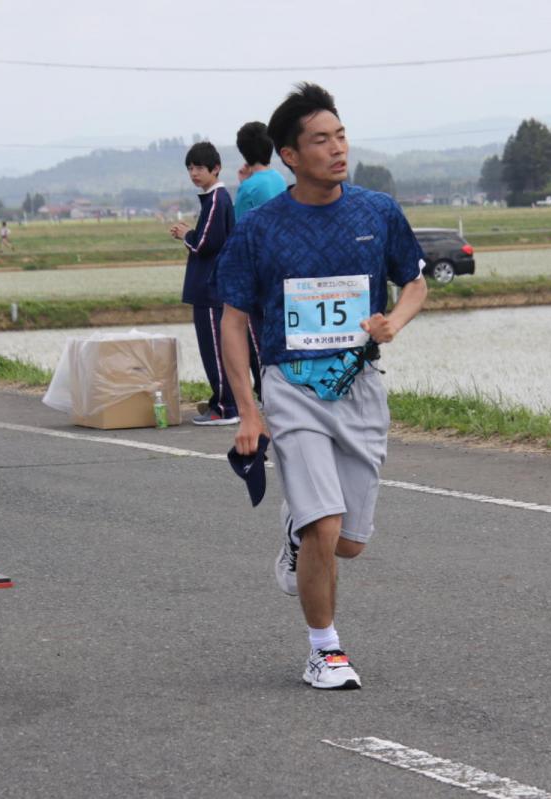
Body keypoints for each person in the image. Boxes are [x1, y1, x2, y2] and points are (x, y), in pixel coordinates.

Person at [218, 83, 428, 690]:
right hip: (291, 387)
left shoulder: (376, 211)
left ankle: (297, 530)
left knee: (348, 544)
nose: (337, 149)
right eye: (320, 140)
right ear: (289, 153)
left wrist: (395, 320)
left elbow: (414, 282)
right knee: (325, 527)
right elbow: (233, 320)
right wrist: (249, 412)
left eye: (341, 136)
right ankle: (324, 651)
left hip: (359, 387)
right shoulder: (260, 230)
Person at [170, 142, 238, 425]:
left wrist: (186, 234)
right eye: (190, 168)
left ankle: (225, 407)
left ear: (216, 168)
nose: (194, 173)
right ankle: (222, 402)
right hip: (213, 288)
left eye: (199, 167)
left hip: (210, 289)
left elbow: (205, 244)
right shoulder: (214, 199)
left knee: (216, 351)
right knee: (216, 349)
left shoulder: (216, 199)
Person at [232, 121, 290, 402]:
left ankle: (265, 390)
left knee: (257, 335)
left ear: (243, 152)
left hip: (260, 271)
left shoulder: (248, 188)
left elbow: (240, 230)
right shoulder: (278, 178)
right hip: (285, 263)